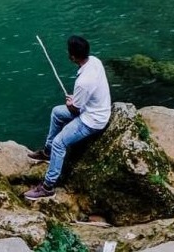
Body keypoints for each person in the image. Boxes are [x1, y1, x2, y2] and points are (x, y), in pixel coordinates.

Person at [23, 34, 112, 200]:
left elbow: (75, 110)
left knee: (59, 143)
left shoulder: (83, 82)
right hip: (95, 109)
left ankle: (48, 187)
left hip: (92, 120)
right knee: (57, 112)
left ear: (72, 57)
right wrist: (76, 100)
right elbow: (84, 98)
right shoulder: (94, 61)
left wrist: (72, 103)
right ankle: (48, 153)